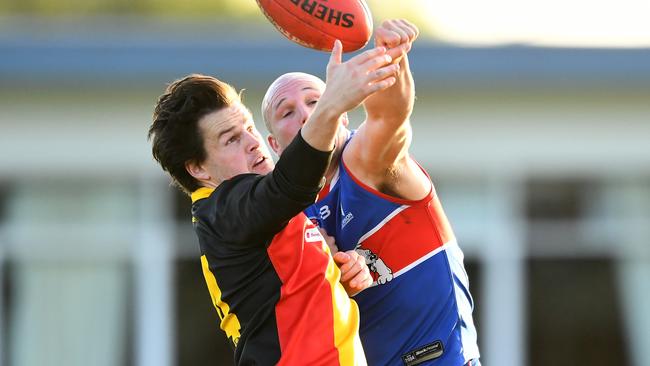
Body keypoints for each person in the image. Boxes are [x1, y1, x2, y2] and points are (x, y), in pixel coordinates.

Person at [147, 40, 406, 365]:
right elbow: (290, 185)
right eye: (231, 139)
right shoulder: (223, 210)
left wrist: (333, 278)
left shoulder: (251, 216)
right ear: (198, 169)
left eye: (249, 127)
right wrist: (331, 104)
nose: (253, 143)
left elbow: (281, 303)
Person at [262, 20, 480, 366]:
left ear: (344, 114)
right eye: (287, 112)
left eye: (316, 101)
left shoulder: (362, 160)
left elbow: (388, 118)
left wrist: (389, 58)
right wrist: (333, 274)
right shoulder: (291, 214)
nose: (306, 115)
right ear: (274, 145)